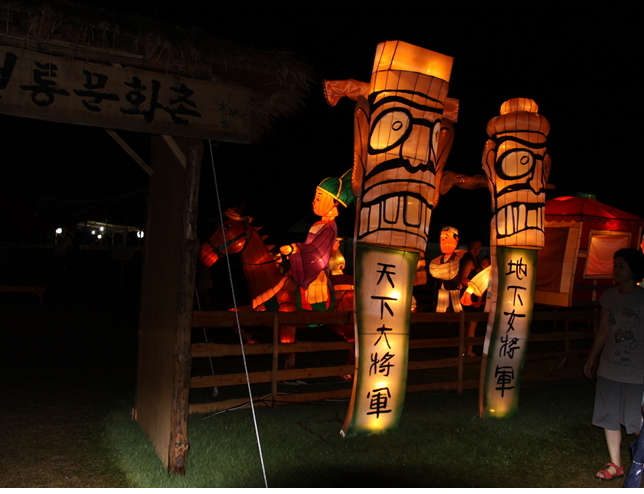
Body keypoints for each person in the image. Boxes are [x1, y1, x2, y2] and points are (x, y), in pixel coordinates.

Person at [583, 248, 644, 481]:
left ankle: (640, 457)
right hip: (610, 367)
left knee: (634, 419)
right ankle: (615, 464)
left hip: (636, 370)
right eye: (615, 265)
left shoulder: (642, 297)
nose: (616, 269)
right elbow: (604, 329)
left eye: (621, 265)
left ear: (634, 269)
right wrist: (592, 357)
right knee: (609, 415)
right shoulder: (609, 296)